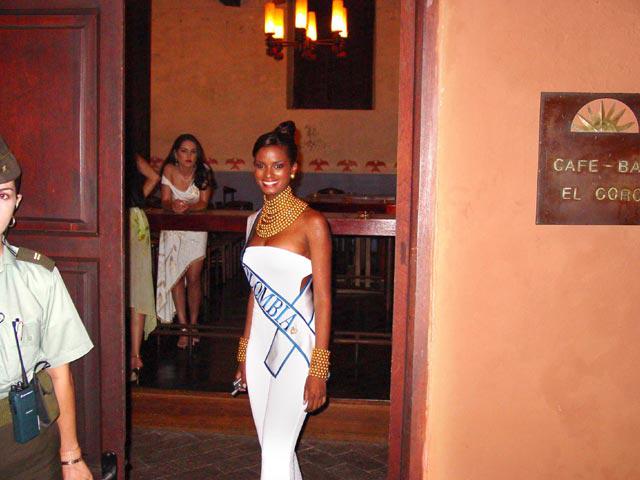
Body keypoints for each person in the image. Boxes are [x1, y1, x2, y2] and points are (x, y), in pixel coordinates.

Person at [235, 121, 332, 479]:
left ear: (293, 169)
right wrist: (244, 351)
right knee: (276, 451)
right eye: (261, 165)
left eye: (277, 165)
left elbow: (324, 300)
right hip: (260, 349)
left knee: (275, 453)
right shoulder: (253, 221)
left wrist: (319, 368)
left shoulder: (312, 222)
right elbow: (254, 293)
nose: (268, 174)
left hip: (297, 346)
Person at [0, 135, 94, 479]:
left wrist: (71, 457)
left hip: (25, 442)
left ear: (16, 204)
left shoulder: (38, 277)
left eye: (2, 195)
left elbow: (59, 372)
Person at [155, 134, 214, 348]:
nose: (189, 156)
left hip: (196, 229)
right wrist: (173, 206)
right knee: (176, 277)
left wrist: (188, 207)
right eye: (184, 151)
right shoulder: (169, 170)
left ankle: (193, 325)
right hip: (173, 228)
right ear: (176, 153)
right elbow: (164, 200)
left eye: (193, 151)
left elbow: (204, 202)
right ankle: (182, 327)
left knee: (194, 277)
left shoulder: (204, 171)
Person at [127, 153, 160, 382]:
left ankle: (134, 355)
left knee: (135, 289)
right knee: (136, 289)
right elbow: (154, 177)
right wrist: (136, 199)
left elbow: (154, 177)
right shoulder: (130, 155)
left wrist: (136, 198)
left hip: (125, 217)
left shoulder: (122, 154)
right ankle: (134, 355)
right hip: (132, 216)